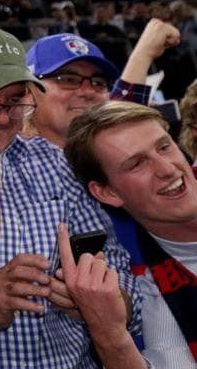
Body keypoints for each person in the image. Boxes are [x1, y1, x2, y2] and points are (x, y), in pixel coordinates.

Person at [0, 23, 143, 367]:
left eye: (15, 100)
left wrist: (98, 299)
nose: (2, 116)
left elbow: (120, 272)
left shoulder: (56, 165)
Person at [63, 101, 197, 368]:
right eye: (137, 164)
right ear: (108, 193)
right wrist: (108, 334)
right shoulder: (152, 286)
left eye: (164, 147)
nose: (167, 169)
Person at [26, 21, 179, 148]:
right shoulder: (16, 166)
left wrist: (144, 54)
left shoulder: (105, 157)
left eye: (97, 82)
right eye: (68, 80)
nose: (88, 91)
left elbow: (119, 119)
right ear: (28, 91)